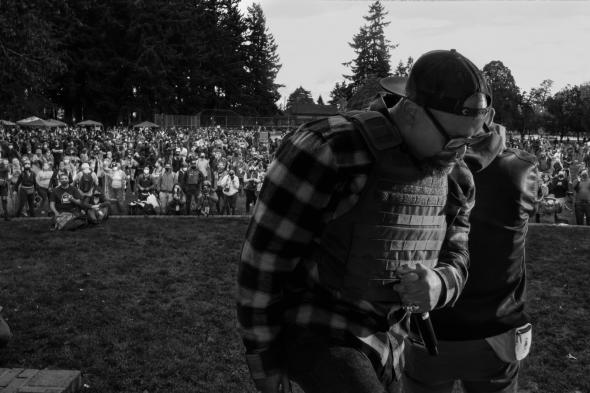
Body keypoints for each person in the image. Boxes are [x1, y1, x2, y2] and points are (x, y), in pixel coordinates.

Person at [236, 49, 501, 393]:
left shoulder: (457, 178)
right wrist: (264, 359)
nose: (461, 151)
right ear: (410, 111)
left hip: (391, 344)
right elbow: (264, 263)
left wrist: (439, 285)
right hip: (318, 331)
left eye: (470, 139)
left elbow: (458, 257)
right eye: (452, 138)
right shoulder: (329, 149)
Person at [402, 125, 539, 393]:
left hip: (430, 324)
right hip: (495, 327)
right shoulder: (519, 167)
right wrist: (497, 142)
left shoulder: (418, 166)